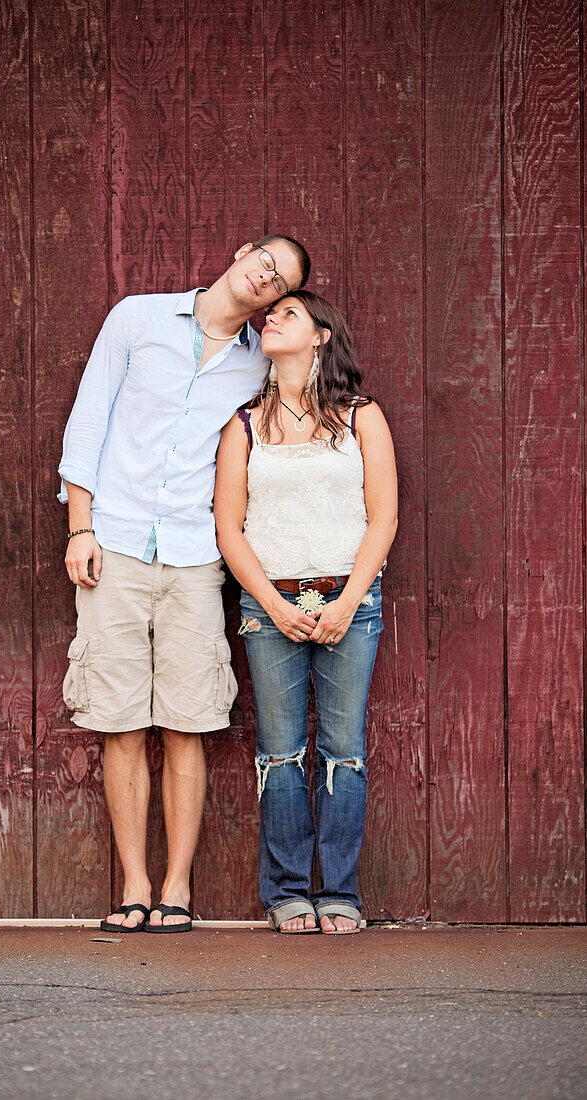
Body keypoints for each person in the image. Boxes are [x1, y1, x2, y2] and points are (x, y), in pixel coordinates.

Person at [59, 236, 311, 932]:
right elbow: (89, 421)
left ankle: (175, 889)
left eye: (279, 281)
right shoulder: (136, 319)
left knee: (187, 721)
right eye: (265, 260)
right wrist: (80, 527)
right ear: (241, 252)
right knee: (118, 721)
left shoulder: (260, 362)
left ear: (274, 300)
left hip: (196, 554)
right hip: (113, 543)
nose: (265, 277)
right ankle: (133, 885)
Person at [213, 290, 397, 934]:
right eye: (272, 313)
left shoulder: (361, 416)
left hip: (352, 598)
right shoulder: (243, 424)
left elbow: (384, 518)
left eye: (290, 314)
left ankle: (340, 894)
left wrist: (348, 603)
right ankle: (289, 891)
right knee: (281, 752)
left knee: (343, 751)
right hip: (271, 606)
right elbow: (229, 528)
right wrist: (271, 604)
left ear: (321, 336)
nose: (273, 319)